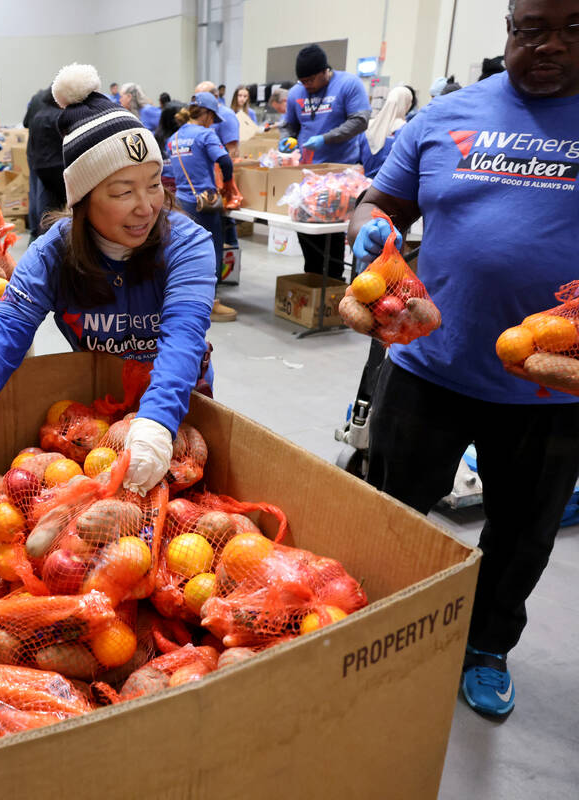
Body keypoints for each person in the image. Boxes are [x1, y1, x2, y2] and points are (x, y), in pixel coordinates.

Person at [348, 0, 579, 719]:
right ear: (508, 28)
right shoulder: (449, 113)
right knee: (391, 512)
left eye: (573, 28)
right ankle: (375, 630)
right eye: (532, 28)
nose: (550, 45)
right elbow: (379, 204)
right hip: (429, 370)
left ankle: (486, 647)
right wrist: (372, 235)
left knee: (522, 533)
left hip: (552, 393)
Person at [0, 63, 217, 498]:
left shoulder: (188, 246)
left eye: (153, 184)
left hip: (179, 415)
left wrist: (157, 425)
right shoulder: (51, 257)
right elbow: (1, 347)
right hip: (97, 427)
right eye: (123, 192)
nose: (146, 206)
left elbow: (183, 338)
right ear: (83, 201)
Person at [278, 44, 370, 281]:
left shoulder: (348, 84)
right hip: (307, 173)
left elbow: (360, 120)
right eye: (302, 80)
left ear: (325, 71)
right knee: (306, 228)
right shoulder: (297, 93)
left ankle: (333, 282)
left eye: (310, 79)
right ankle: (313, 277)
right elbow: (289, 124)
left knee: (331, 234)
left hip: (340, 174)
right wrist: (287, 138)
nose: (306, 85)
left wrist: (325, 138)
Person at [164, 93, 236, 323]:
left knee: (186, 250)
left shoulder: (173, 139)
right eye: (212, 117)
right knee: (211, 250)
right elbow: (225, 161)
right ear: (205, 114)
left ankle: (186, 298)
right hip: (205, 203)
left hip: (183, 201)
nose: (213, 123)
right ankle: (211, 302)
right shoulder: (206, 135)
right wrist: (228, 185)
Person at [24, 86, 66, 238]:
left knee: (37, 196)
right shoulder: (58, 115)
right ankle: (47, 233)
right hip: (55, 164)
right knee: (50, 203)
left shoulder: (38, 111)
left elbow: (25, 124)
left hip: (36, 160)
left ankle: (36, 230)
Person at [360, 85, 413, 178]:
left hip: (364, 181)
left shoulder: (368, 126)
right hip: (390, 186)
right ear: (407, 104)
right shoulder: (406, 130)